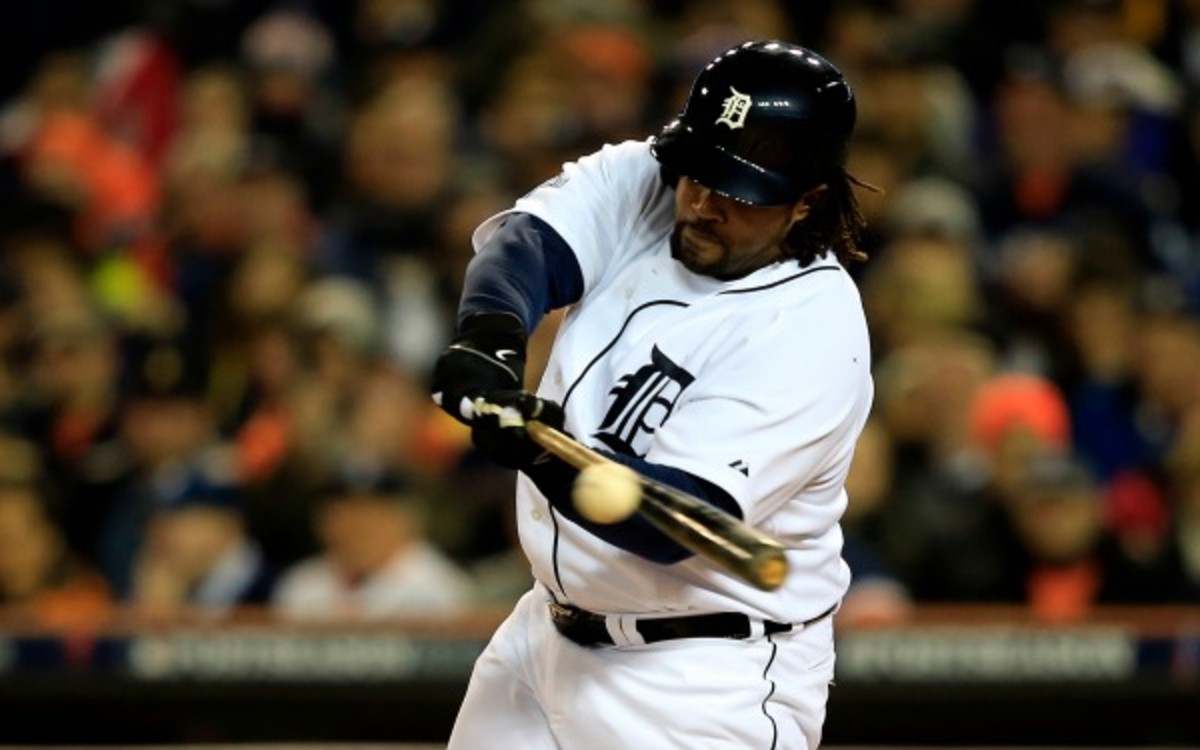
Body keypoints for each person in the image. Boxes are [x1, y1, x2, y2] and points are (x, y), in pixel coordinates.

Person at [431, 40, 874, 749]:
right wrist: (487, 342)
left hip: (698, 680)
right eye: (697, 173)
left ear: (807, 201)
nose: (701, 203)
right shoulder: (655, 179)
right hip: (544, 635)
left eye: (736, 190)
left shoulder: (814, 329)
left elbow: (672, 523)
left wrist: (535, 452)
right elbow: (526, 243)